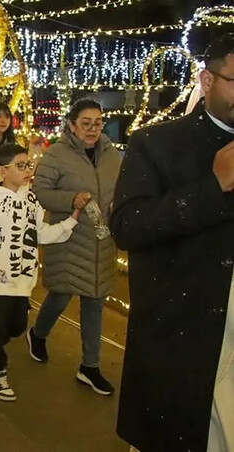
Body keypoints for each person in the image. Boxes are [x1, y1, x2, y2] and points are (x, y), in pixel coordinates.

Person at [110, 34, 234, 451]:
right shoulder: (157, 143)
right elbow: (127, 226)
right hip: (181, 341)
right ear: (206, 81)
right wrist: (214, 187)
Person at [0, 143, 80, 401]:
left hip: (22, 280)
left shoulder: (31, 200)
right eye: (21, 165)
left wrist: (68, 223)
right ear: (2, 171)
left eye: (29, 165)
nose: (27, 170)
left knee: (16, 328)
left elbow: (39, 232)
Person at [26, 99, 122, 395]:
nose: (93, 129)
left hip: (102, 241)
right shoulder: (56, 154)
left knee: (95, 300)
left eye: (98, 122)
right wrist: (70, 199)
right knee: (61, 294)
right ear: (71, 124)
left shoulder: (112, 156)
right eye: (86, 123)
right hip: (68, 238)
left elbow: (125, 187)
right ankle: (38, 333)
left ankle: (89, 366)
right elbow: (40, 192)